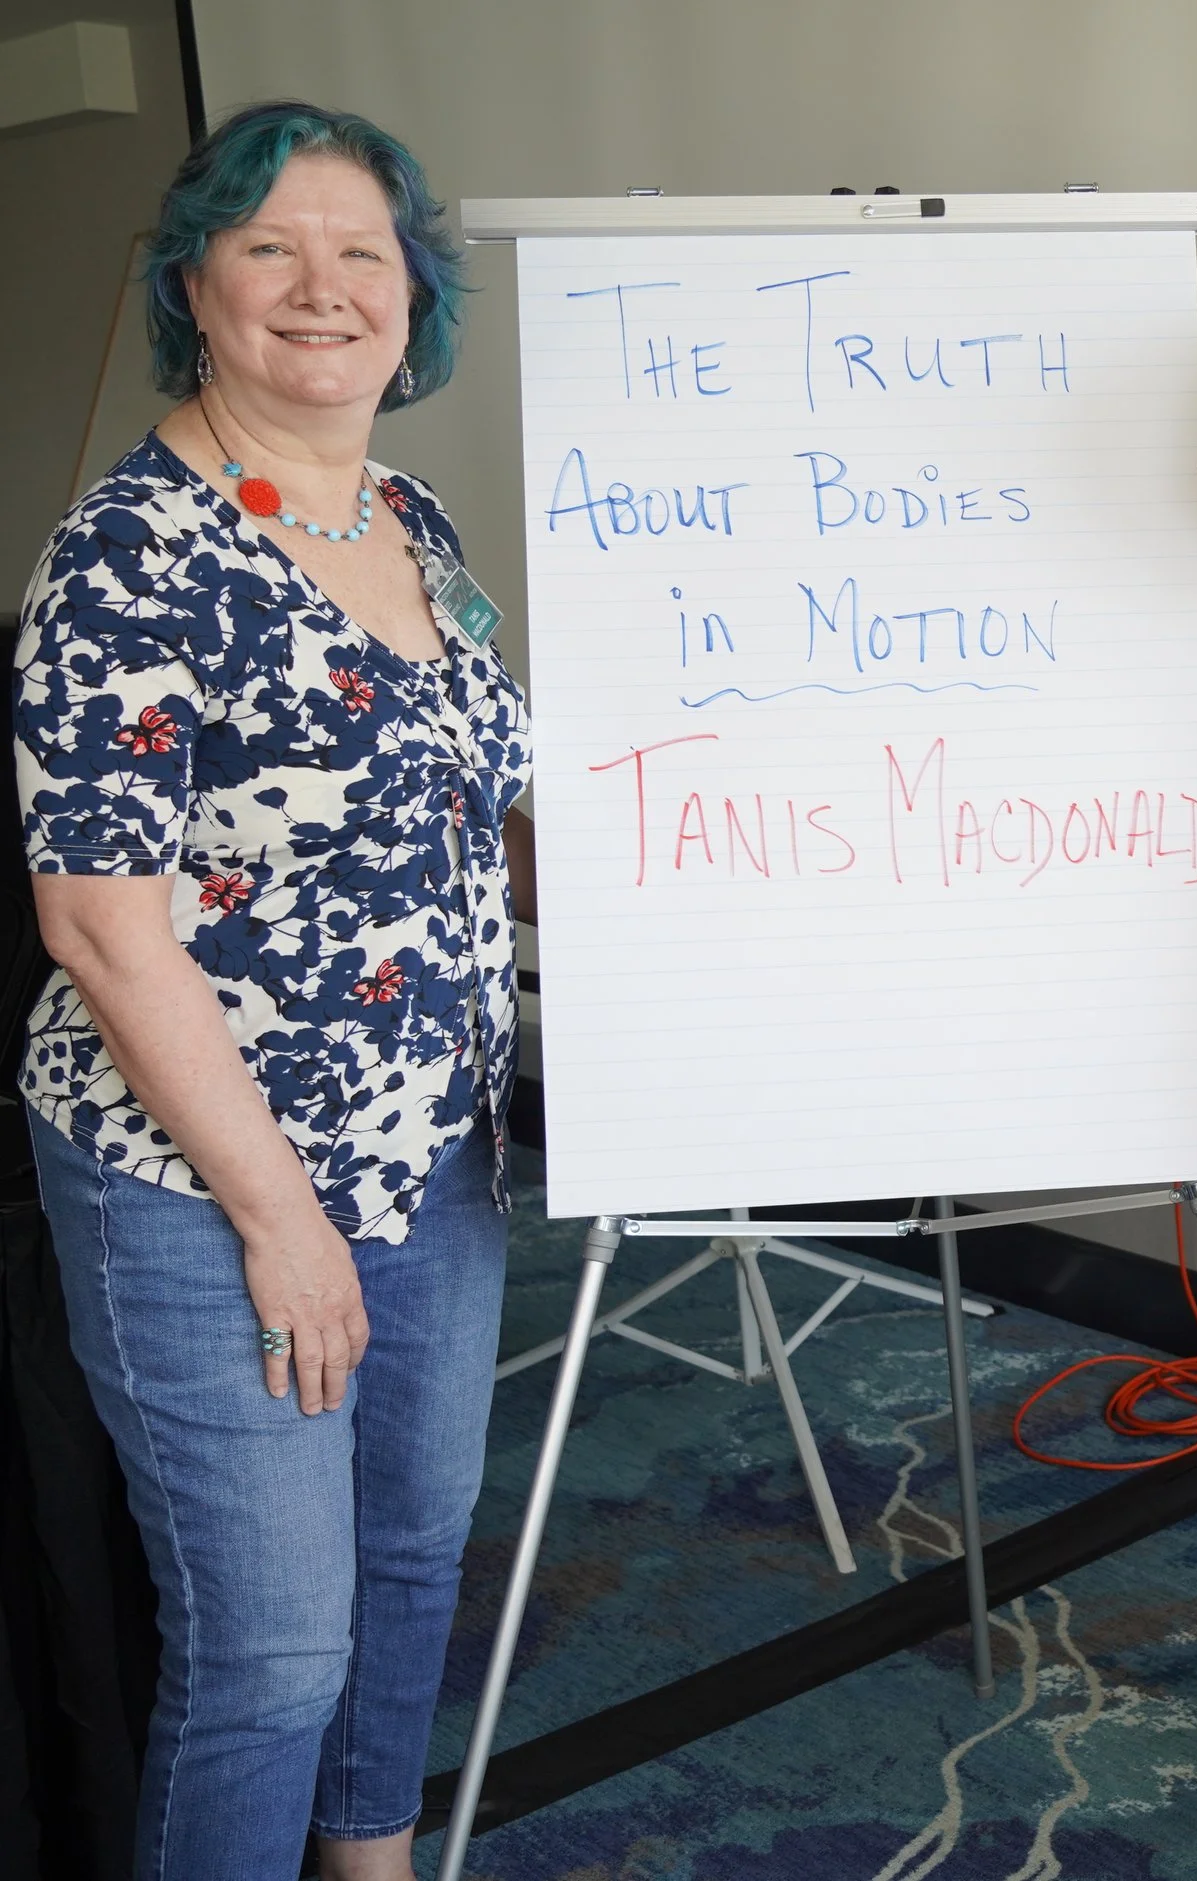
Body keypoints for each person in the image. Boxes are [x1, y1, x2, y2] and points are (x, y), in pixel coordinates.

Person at [13, 102, 533, 1881]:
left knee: (411, 1554)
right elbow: (101, 928)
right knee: (270, 1647)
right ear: (195, 284)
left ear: (413, 296)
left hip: (433, 1153)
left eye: (361, 252)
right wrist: (283, 1224)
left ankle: (369, 1859)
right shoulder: (130, 554)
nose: (323, 289)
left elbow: (465, 807)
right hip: (207, 1183)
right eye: (270, 248)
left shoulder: (407, 513)